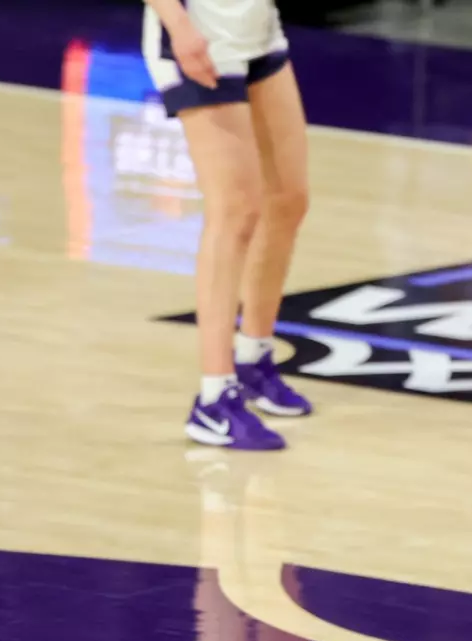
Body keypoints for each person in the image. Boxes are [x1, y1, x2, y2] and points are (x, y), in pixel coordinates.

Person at [143, 0, 314, 451]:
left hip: (256, 28)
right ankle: (214, 400)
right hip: (199, 34)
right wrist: (178, 26)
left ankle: (253, 358)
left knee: (289, 200)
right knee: (235, 210)